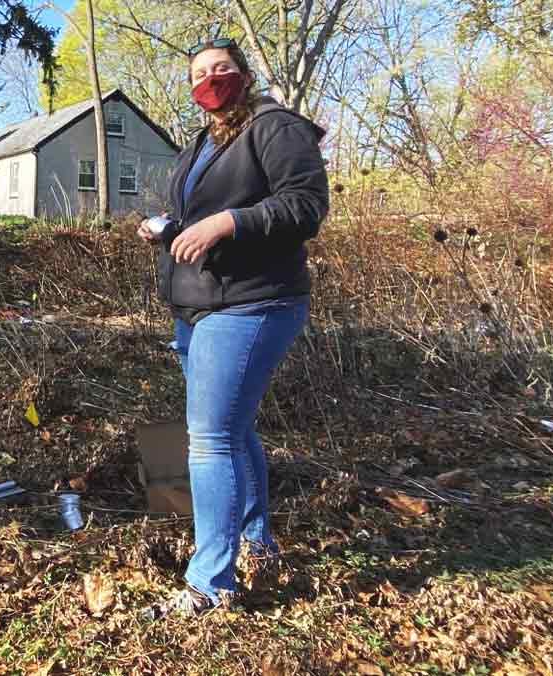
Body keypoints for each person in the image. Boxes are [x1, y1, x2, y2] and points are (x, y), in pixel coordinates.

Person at [138, 38, 329, 617]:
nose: (211, 78)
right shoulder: (204, 138)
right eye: (199, 72)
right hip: (198, 303)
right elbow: (196, 212)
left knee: (209, 439)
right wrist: (168, 226)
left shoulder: (276, 127)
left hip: (251, 303)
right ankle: (255, 541)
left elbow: (304, 205)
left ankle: (209, 582)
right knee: (234, 430)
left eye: (222, 68)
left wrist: (227, 223)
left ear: (243, 75)